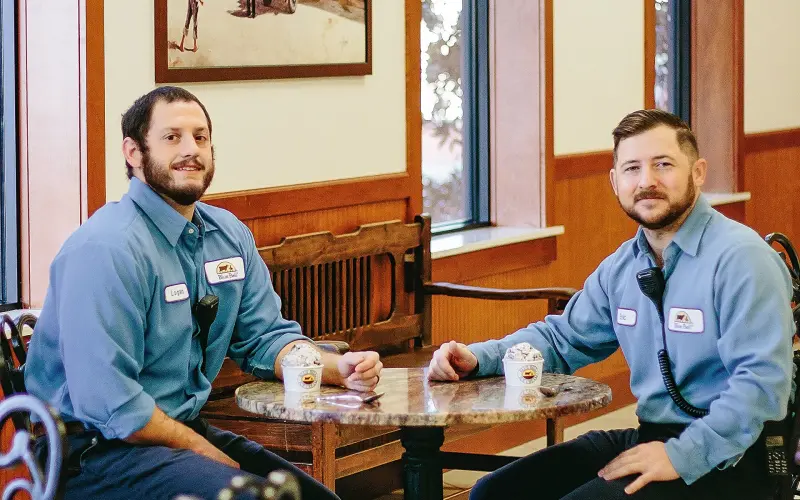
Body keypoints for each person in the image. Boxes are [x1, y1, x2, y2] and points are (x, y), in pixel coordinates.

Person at [24, 86, 383, 500]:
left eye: (201, 136)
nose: (191, 150)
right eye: (171, 137)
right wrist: (209, 455)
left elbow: (266, 337)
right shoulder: (105, 250)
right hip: (95, 455)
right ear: (133, 152)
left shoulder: (228, 234)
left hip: (179, 434)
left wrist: (341, 368)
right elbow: (114, 405)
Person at [427, 109, 795, 500]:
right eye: (632, 168)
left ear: (698, 172)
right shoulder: (622, 266)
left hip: (734, 452)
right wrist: (477, 357)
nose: (647, 181)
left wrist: (682, 455)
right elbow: (561, 338)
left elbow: (762, 384)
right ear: (615, 181)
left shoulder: (743, 259)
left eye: (663, 165)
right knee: (494, 493)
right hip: (652, 434)